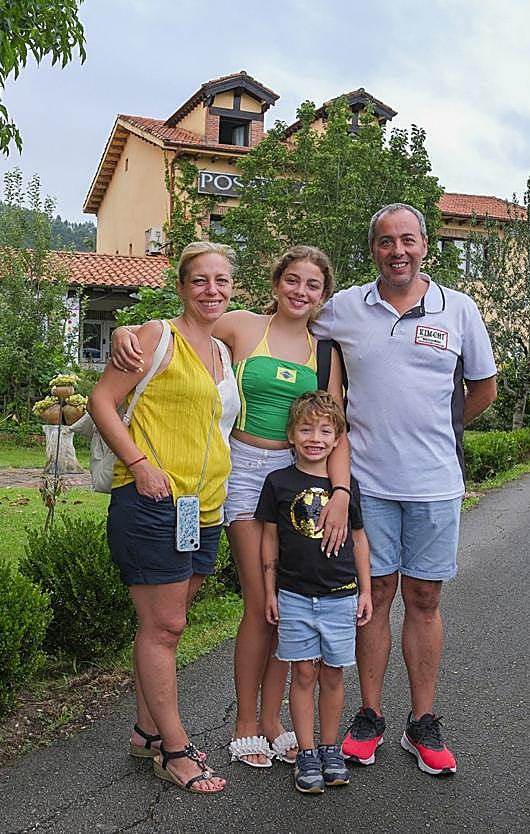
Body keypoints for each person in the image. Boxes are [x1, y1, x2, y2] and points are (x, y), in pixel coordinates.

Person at [111, 246, 350, 769]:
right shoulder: (241, 326)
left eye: (312, 285)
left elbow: (336, 429)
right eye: (292, 280)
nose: (300, 291)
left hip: (295, 477)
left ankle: (271, 720)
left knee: (287, 601)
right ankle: (245, 721)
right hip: (239, 470)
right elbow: (177, 332)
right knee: (260, 601)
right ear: (275, 282)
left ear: (323, 295)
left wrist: (340, 493)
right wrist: (123, 331)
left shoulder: (325, 354)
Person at [310, 203, 498, 776]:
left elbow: (483, 389)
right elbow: (285, 321)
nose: (398, 251)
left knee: (424, 599)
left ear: (425, 246)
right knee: (374, 597)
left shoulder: (459, 309)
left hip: (435, 485)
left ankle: (422, 722)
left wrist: (439, 430)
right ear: (374, 250)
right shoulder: (345, 308)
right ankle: (370, 715)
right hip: (367, 485)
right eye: (387, 242)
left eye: (408, 240)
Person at [88, 241, 240, 794]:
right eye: (200, 280)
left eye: (221, 281)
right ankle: (175, 750)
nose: (211, 290)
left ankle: (146, 732)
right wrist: (138, 463)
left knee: (164, 624)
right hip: (151, 501)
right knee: (166, 626)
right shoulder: (156, 337)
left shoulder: (223, 350)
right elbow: (101, 401)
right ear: (180, 287)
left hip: (203, 509)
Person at [257, 391, 371, 794]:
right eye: (306, 429)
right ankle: (306, 752)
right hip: (294, 596)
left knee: (333, 674)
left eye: (325, 431)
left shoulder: (346, 487)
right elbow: (269, 540)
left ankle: (329, 748)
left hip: (340, 595)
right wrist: (269, 591)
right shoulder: (277, 483)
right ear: (291, 435)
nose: (315, 438)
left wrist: (365, 591)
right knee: (303, 673)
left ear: (338, 439)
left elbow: (360, 539)